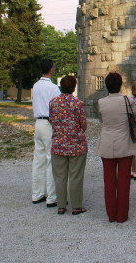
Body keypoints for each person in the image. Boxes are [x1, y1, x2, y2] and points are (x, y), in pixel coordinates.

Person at [96, 72, 136, 223]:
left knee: (109, 182)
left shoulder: (101, 102)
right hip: (124, 142)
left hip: (107, 142)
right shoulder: (127, 100)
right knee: (123, 182)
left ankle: (111, 214)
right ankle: (122, 215)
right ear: (121, 85)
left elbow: (101, 119)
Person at [49, 75, 87, 215]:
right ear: (74, 87)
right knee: (76, 176)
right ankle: (76, 205)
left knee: (60, 176)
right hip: (76, 144)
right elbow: (83, 124)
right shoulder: (77, 103)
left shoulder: (53, 102)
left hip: (58, 143)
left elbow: (51, 120)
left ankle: (61, 205)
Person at [31, 58, 61, 207]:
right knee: (51, 160)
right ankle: (52, 197)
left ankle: (37, 193)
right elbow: (57, 108)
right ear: (50, 69)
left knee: (38, 159)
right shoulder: (54, 88)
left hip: (38, 122)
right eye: (54, 67)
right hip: (49, 123)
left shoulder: (35, 86)